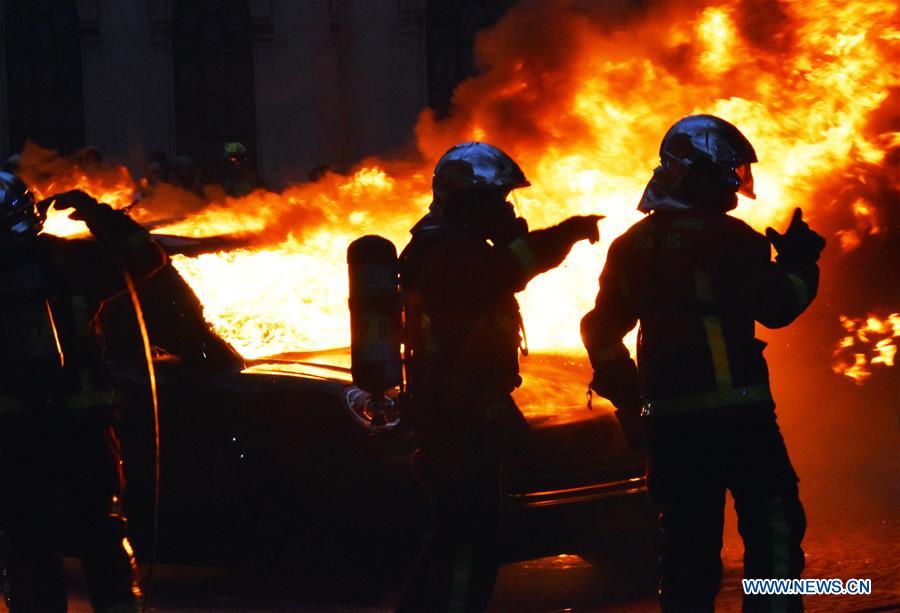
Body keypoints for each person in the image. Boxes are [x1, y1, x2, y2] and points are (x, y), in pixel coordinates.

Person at [581, 115, 825, 613]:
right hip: (740, 421)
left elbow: (600, 332)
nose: (735, 184)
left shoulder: (631, 247)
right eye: (729, 173)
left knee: (686, 549)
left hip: (671, 429)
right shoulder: (731, 238)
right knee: (773, 529)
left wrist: (633, 405)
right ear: (701, 174)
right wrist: (799, 263)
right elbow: (778, 307)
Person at [397, 142, 603, 612]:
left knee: (451, 538)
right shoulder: (453, 255)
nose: (508, 210)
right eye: (497, 201)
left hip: (458, 415)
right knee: (470, 546)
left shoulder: (445, 247)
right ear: (468, 203)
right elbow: (511, 269)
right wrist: (566, 233)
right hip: (459, 420)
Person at [0, 172, 168, 612]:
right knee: (102, 533)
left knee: (28, 542)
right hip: (83, 431)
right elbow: (146, 257)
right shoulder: (67, 261)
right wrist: (97, 214)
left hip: (15, 439)